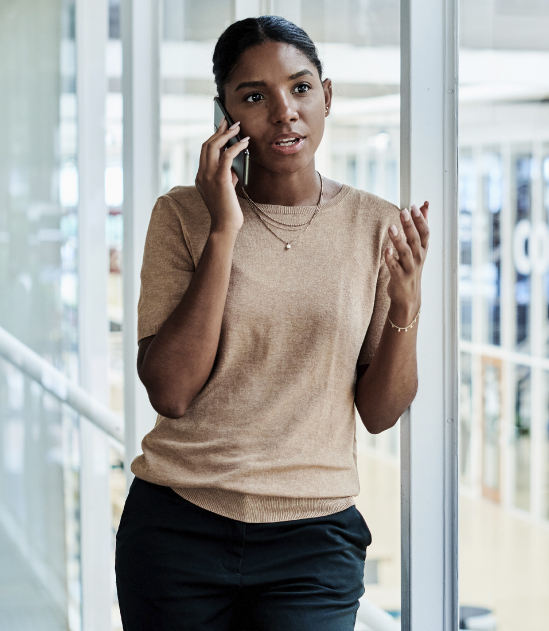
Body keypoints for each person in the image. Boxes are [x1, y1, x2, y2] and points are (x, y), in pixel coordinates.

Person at [114, 15, 427, 631]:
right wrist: (224, 230)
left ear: (327, 96)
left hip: (312, 540)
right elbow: (171, 392)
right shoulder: (182, 214)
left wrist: (405, 309)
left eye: (300, 88)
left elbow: (380, 413)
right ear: (224, 115)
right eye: (254, 96)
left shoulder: (378, 225)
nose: (283, 112)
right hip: (178, 527)